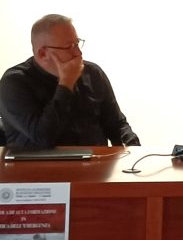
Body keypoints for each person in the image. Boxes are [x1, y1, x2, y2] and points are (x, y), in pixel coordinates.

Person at [0, 14, 140, 149]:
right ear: (43, 54)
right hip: (38, 164)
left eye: (77, 43)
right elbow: (44, 137)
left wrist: (133, 148)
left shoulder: (93, 73)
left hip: (96, 161)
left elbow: (116, 124)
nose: (78, 53)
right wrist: (66, 83)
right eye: (69, 47)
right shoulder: (13, 83)